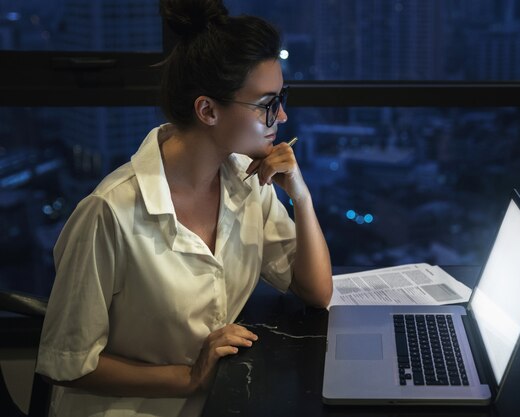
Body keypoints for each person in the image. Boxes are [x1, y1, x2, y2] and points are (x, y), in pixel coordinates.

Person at [35, 0, 332, 415]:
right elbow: (64, 364)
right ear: (207, 109)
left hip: (217, 401)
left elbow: (317, 293)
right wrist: (190, 376)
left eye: (281, 97)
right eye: (266, 103)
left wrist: (300, 196)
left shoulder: (249, 184)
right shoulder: (110, 211)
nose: (281, 115)